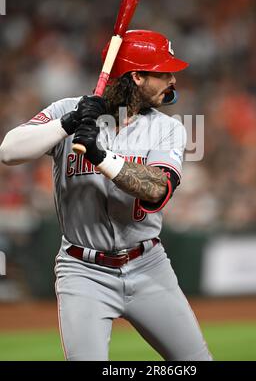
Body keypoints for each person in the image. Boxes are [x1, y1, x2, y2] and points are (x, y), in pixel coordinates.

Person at [0, 29, 212, 361]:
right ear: (138, 76)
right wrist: (68, 123)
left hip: (148, 266)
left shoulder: (168, 128)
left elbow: (157, 189)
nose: (173, 79)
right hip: (83, 272)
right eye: (163, 72)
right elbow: (9, 151)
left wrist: (101, 156)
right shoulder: (68, 110)